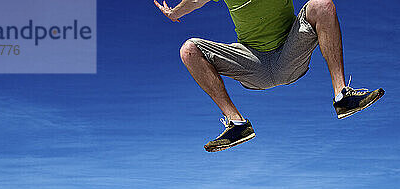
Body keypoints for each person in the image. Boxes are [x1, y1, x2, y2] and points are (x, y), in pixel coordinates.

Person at [154, 0, 384, 152]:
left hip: (289, 53)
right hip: (254, 63)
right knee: (189, 50)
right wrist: (173, 13)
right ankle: (237, 123)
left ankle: (342, 96)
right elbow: (193, 2)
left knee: (322, 5)